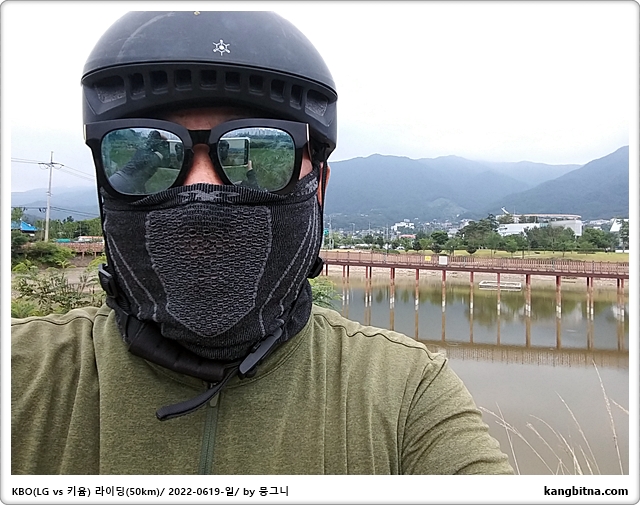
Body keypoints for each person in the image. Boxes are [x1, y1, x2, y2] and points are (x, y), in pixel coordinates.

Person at [11, 11, 514, 475]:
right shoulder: (22, 373)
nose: (200, 191)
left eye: (256, 154)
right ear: (105, 185)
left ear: (318, 189)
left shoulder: (404, 392)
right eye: (148, 155)